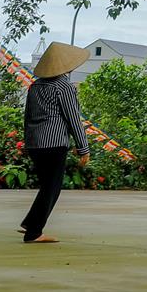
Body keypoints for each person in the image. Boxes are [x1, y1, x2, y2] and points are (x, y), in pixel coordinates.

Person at [20, 42, 90, 243]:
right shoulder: (64, 87)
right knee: (52, 187)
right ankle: (34, 232)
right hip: (54, 143)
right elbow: (73, 118)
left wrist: (28, 141)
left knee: (47, 186)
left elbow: (27, 116)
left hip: (35, 143)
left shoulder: (35, 86)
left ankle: (31, 224)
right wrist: (83, 148)